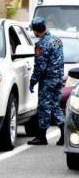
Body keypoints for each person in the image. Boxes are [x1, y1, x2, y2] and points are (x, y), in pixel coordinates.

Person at [27, 17, 65, 146]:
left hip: (47, 80)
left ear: (36, 31)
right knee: (54, 106)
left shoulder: (41, 44)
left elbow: (40, 67)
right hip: (58, 79)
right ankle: (64, 134)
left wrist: (33, 81)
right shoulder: (56, 40)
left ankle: (41, 136)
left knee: (44, 107)